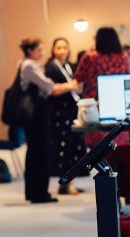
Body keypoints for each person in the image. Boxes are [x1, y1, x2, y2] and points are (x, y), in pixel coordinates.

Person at [17, 38, 80, 204]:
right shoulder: (29, 66)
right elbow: (49, 86)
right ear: (30, 50)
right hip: (36, 117)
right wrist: (71, 85)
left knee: (36, 153)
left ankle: (36, 192)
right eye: (39, 49)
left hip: (36, 116)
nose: (42, 53)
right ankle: (39, 193)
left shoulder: (29, 64)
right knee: (39, 154)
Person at [44, 38, 86, 195]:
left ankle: (70, 182)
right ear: (53, 50)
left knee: (73, 147)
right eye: (59, 47)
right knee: (62, 148)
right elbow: (52, 90)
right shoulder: (50, 67)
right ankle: (65, 183)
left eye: (64, 47)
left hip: (72, 110)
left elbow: (79, 86)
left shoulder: (71, 66)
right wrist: (69, 86)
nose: (62, 51)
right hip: (58, 113)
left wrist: (64, 87)